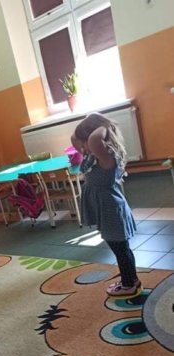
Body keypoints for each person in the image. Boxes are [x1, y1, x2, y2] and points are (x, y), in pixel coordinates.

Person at [72, 113, 141, 297]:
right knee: (119, 247)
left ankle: (129, 284)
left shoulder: (106, 155)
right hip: (104, 208)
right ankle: (131, 279)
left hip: (111, 209)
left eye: (85, 141)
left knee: (120, 249)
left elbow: (94, 140)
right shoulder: (91, 156)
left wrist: (105, 125)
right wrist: (89, 127)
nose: (82, 146)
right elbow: (74, 139)